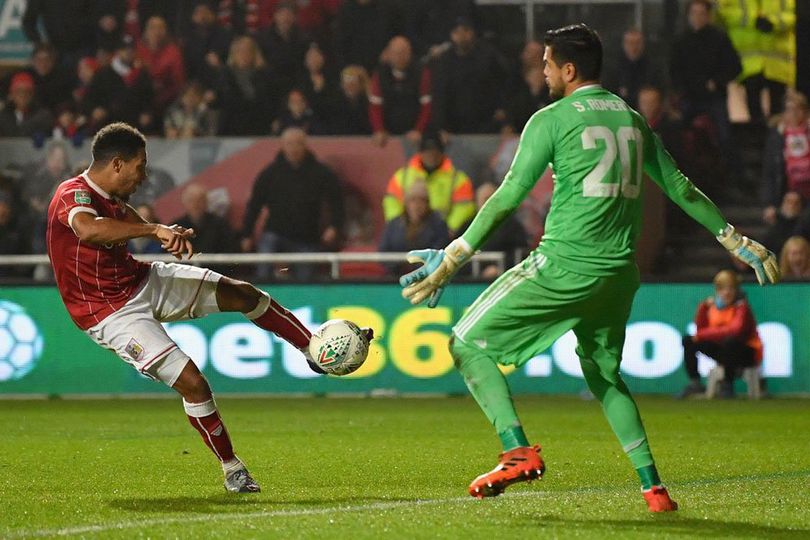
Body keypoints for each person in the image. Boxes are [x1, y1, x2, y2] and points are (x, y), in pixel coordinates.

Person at [399, 24, 779, 512]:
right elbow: (680, 187)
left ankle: (516, 451)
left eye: (547, 63)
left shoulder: (551, 119)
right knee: (604, 377)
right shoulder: (633, 119)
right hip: (619, 274)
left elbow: (510, 195)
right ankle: (654, 490)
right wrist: (735, 239)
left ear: (569, 69)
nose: (542, 71)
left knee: (466, 343)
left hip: (563, 264)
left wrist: (454, 255)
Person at [44, 122, 357, 493]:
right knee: (194, 384)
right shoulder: (72, 194)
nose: (143, 176)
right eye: (140, 167)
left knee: (243, 293)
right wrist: (153, 231)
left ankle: (312, 349)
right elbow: (90, 230)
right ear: (116, 164)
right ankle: (232, 469)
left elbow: (132, 223)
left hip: (141, 280)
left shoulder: (114, 203)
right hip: (109, 313)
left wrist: (166, 234)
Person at [241, 127, 344, 280]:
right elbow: (255, 204)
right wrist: (246, 234)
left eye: (298, 144)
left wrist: (334, 226)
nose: (294, 148)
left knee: (305, 279)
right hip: (275, 233)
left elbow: (337, 201)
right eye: (289, 144)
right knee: (264, 265)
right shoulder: (270, 173)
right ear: (282, 146)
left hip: (307, 237)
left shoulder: (321, 173)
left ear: (305, 145)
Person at [679, 270, 763, 399]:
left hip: (747, 352)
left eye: (731, 288)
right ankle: (695, 382)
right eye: (722, 288)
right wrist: (703, 308)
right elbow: (700, 329)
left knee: (730, 341)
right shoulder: (712, 307)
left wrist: (702, 335)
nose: (726, 292)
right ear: (717, 290)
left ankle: (728, 384)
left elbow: (734, 330)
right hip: (724, 351)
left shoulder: (742, 307)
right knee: (689, 341)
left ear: (736, 290)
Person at [383, 132, 475, 236]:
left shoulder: (458, 178)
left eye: (435, 151)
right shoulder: (401, 176)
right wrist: (399, 226)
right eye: (427, 151)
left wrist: (449, 228)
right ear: (420, 153)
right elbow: (391, 201)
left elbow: (465, 206)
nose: (431, 155)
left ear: (442, 152)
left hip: (443, 234)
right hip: (408, 231)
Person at [369, 36, 432, 147]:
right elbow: (375, 106)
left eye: (403, 52)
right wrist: (379, 129)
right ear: (388, 54)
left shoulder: (422, 73)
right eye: (396, 53)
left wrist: (419, 130)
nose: (399, 57)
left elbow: (427, 106)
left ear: (410, 53)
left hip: (416, 134)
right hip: (388, 134)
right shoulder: (379, 74)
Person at [379, 181, 449, 274]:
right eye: (413, 200)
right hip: (395, 278)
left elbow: (439, 252)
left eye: (422, 200)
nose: (417, 205)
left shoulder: (438, 225)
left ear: (428, 204)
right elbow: (383, 252)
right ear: (406, 203)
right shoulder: (394, 225)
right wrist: (398, 266)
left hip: (427, 278)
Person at [762, 91, 810, 221]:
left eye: (798, 108)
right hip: (787, 193)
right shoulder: (777, 136)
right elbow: (770, 172)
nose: (794, 113)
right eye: (789, 109)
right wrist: (769, 204)